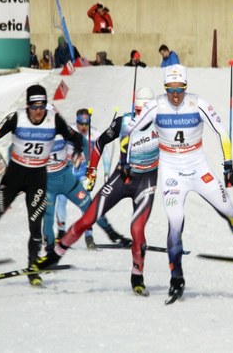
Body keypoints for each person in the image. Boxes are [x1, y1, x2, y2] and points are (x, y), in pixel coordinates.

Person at [112, 65, 233, 300]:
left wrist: (228, 165)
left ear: (186, 88)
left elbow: (222, 132)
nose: (175, 95)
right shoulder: (156, 105)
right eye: (170, 90)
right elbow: (128, 131)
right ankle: (176, 277)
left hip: (199, 168)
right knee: (176, 221)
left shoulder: (197, 103)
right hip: (172, 170)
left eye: (180, 89)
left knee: (228, 209)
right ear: (165, 89)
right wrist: (124, 160)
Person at [0, 85, 83, 287]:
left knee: (35, 227)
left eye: (42, 105)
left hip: (37, 178)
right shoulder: (17, 118)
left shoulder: (54, 120)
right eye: (34, 106)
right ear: (27, 105)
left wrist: (78, 152)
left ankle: (33, 268)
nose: (38, 111)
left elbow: (77, 138)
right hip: (14, 176)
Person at [36, 88, 158, 295]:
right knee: (88, 217)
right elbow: (100, 142)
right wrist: (92, 170)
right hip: (122, 178)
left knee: (137, 231)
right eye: (137, 110)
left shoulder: (161, 123)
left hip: (145, 181)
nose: (141, 115)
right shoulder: (124, 122)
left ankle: (137, 276)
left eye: (144, 110)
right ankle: (54, 255)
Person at [42, 115, 124, 253]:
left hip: (83, 175)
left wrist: (104, 174)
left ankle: (89, 236)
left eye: (86, 124)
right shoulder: (68, 128)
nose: (83, 127)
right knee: (60, 203)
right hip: (68, 172)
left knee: (87, 205)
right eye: (81, 124)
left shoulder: (95, 133)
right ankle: (60, 235)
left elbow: (104, 154)